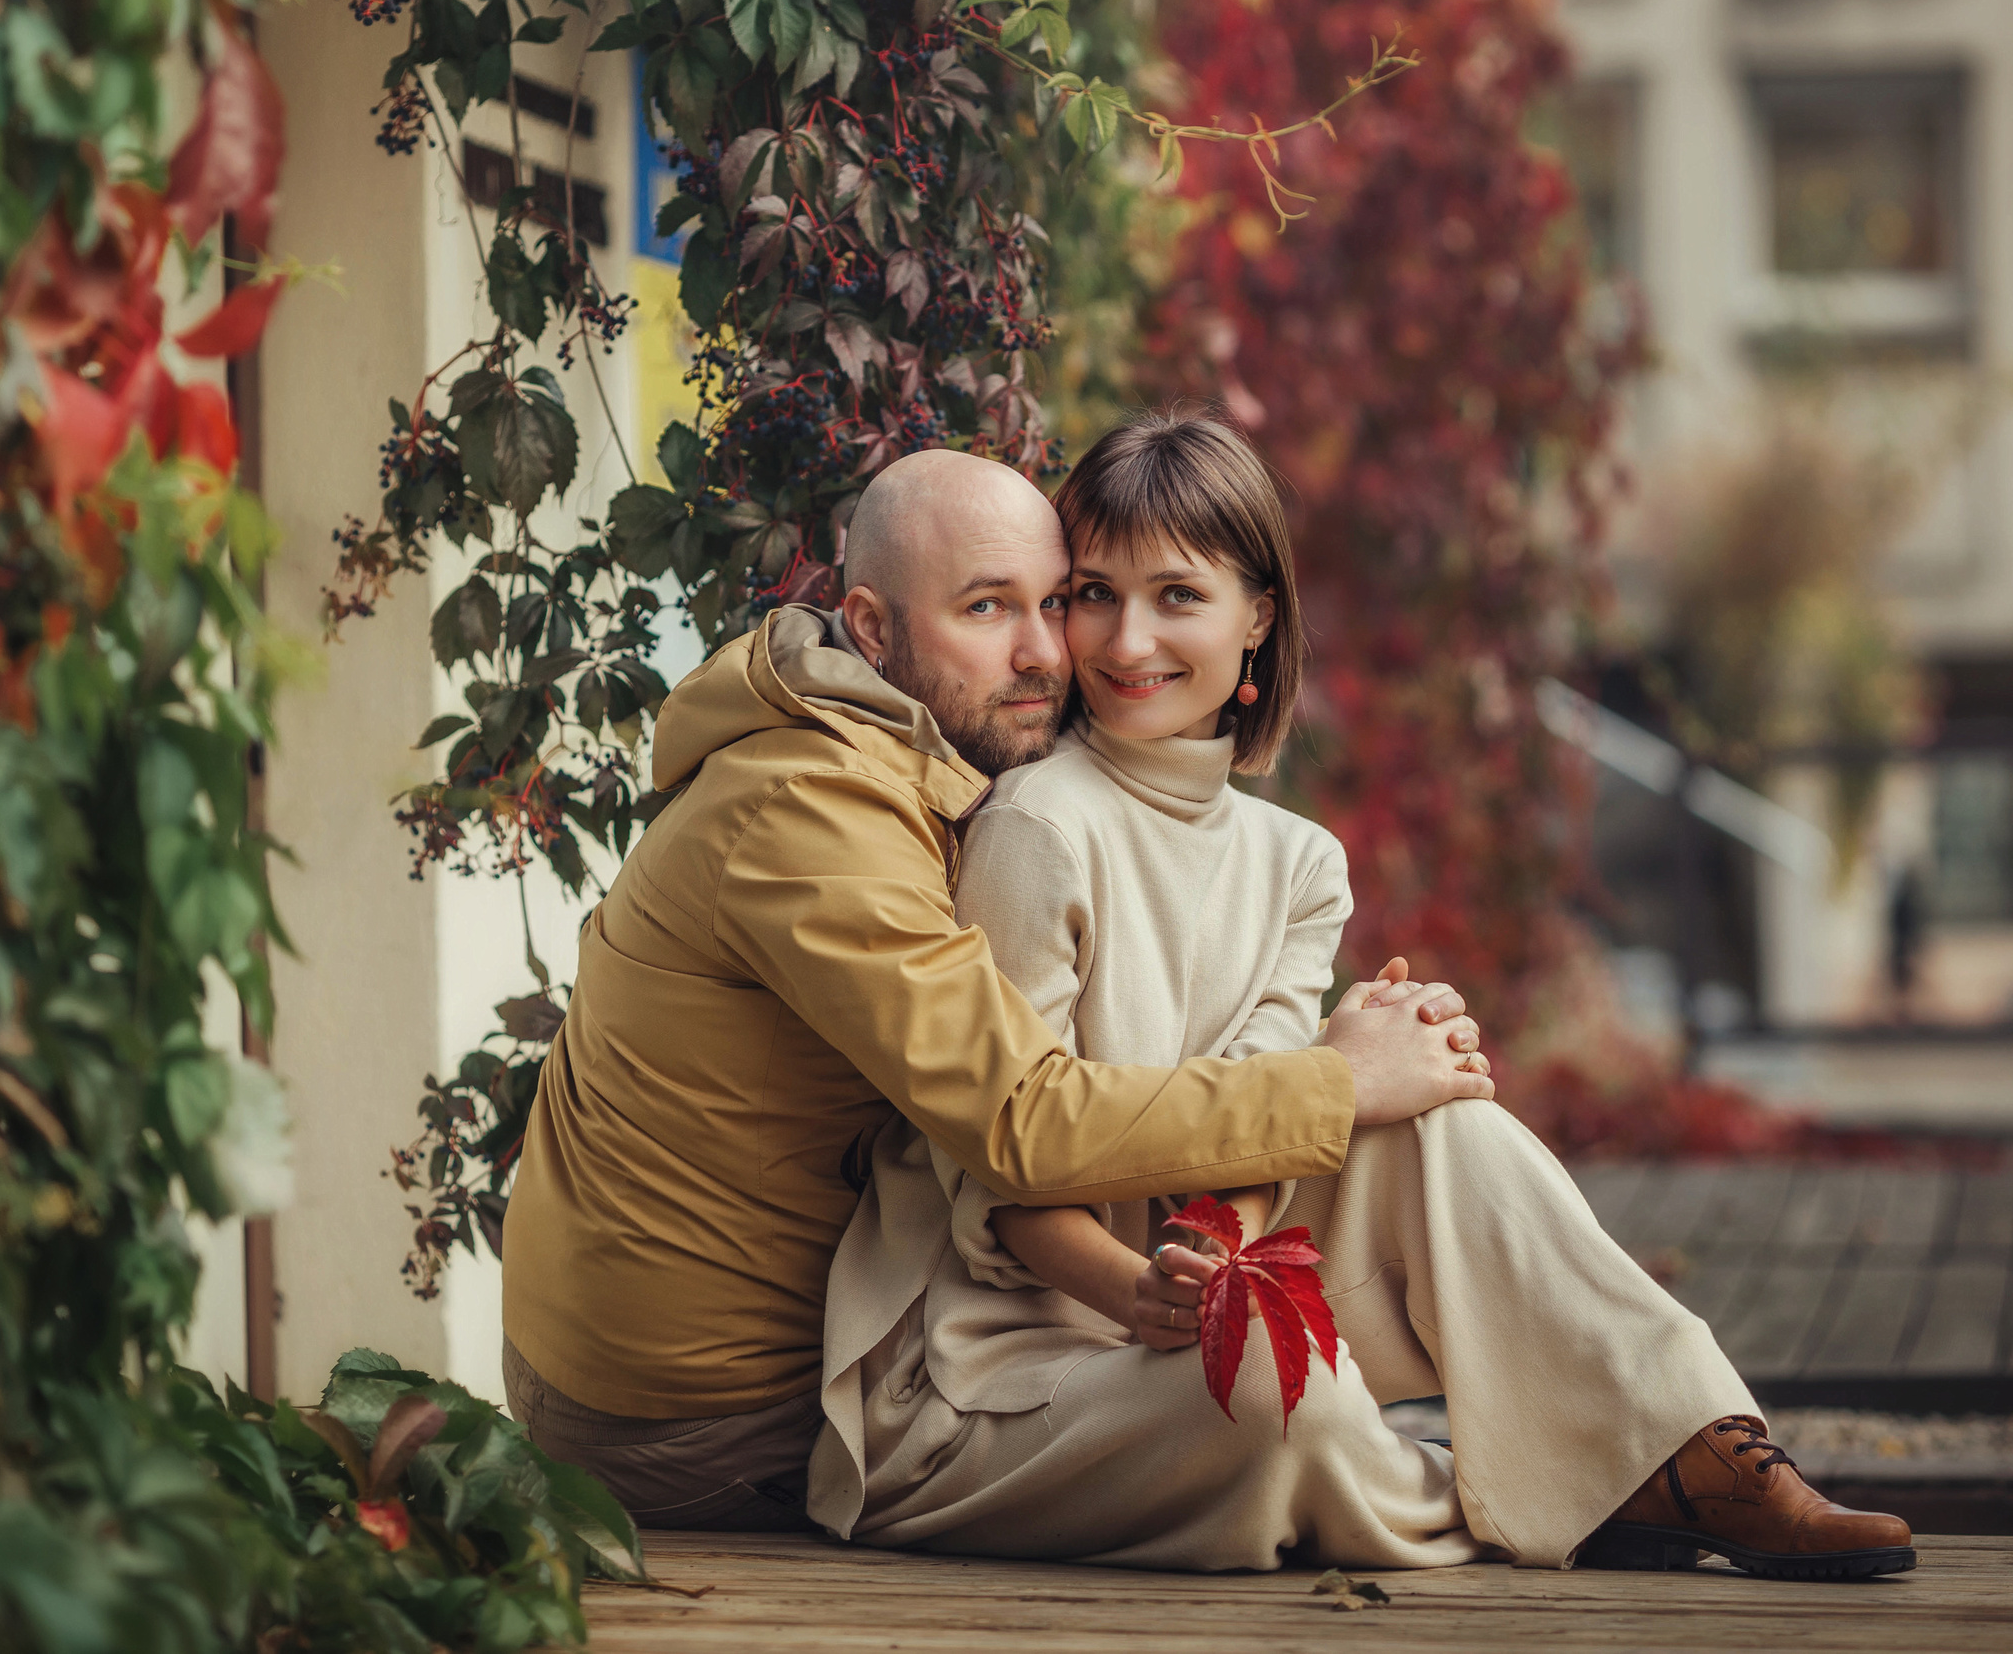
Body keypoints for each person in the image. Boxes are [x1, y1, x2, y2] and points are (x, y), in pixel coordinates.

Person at [809, 411, 1916, 1580]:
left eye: (1177, 596)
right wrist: (1144, 1292)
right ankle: (1570, 1481)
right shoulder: (1037, 825)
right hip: (1000, 1359)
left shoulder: (1299, 864)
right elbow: (999, 1175)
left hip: (1176, 1298)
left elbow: (1248, 1142)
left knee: (1445, 1126)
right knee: (1284, 1405)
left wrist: (1251, 1204)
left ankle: (1696, 1448)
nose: (1127, 639)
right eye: (1093, 594)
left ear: (1257, 617)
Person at [498, 446, 1491, 1535]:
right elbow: (1024, 1120)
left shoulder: (922, 765)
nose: (1047, 652)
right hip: (700, 1420)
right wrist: (1338, 1080)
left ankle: (1628, 1448)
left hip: (854, 1337)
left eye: (1054, 602)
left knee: (1444, 1137)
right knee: (1275, 1404)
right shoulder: (807, 811)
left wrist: (1356, 1078)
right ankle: (1492, 1494)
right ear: (871, 629)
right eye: (986, 608)